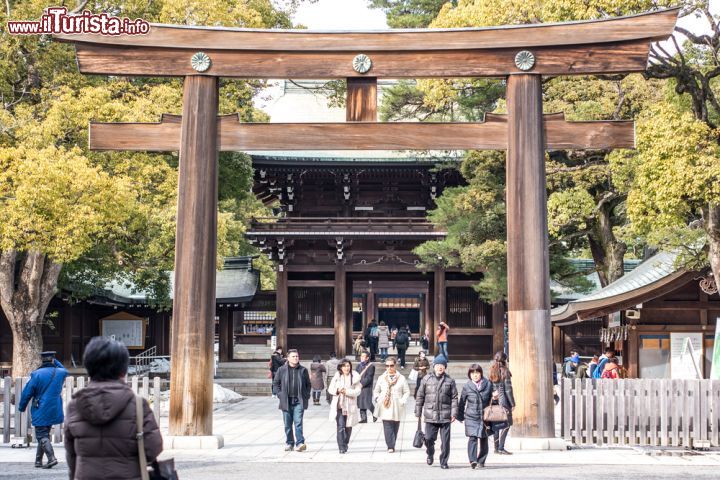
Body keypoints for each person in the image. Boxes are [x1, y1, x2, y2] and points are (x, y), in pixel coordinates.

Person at [64, 337, 162, 479]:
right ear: (123, 370)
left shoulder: (75, 406)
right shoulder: (138, 406)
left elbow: (71, 452)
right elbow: (153, 448)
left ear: (89, 368)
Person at [18, 351, 68, 469]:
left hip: (41, 407)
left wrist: (22, 406)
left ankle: (51, 459)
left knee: (41, 434)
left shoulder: (36, 374)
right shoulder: (60, 372)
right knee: (44, 433)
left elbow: (27, 392)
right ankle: (38, 461)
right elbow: (64, 369)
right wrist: (55, 361)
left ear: (42, 360)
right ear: (52, 360)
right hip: (54, 407)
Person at [415, 355, 458, 470]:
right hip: (430, 415)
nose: (440, 367)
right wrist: (418, 412)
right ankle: (430, 453)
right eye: (438, 365)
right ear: (434, 366)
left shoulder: (450, 381)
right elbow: (420, 396)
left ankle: (444, 461)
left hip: (445, 415)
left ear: (445, 367)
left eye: (442, 365)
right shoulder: (426, 379)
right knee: (428, 438)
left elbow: (454, 397)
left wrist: (454, 413)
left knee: (445, 442)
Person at [273, 349, 311, 452]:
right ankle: (290, 443)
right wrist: (280, 394)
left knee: (298, 422)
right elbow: (276, 384)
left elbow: (308, 384)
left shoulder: (303, 370)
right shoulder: (281, 370)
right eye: (293, 356)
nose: (295, 358)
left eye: (297, 356)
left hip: (299, 400)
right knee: (287, 424)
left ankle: (300, 443)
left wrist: (306, 395)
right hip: (286, 400)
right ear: (288, 358)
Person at [457, 364, 493, 469]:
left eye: (477, 373)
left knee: (483, 438)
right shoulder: (467, 386)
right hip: (471, 416)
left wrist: (495, 397)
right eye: (473, 373)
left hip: (484, 416)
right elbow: (462, 402)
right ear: (470, 375)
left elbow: (493, 400)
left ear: (481, 373)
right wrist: (460, 417)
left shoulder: (488, 384)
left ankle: (481, 460)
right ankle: (473, 460)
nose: (475, 375)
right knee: (472, 438)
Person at [373, 356, 410, 453]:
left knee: (395, 426)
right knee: (387, 424)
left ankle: (392, 443)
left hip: (397, 404)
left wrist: (402, 400)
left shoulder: (401, 378)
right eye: (387, 366)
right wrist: (377, 398)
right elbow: (376, 390)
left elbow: (406, 391)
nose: (389, 368)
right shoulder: (381, 378)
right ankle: (390, 446)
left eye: (391, 365)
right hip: (385, 404)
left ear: (395, 366)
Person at [328, 359, 361, 454]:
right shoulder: (337, 376)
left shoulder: (355, 377)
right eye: (344, 366)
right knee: (340, 426)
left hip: (350, 406)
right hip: (339, 406)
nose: (346, 368)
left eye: (348, 366)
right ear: (340, 367)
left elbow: (358, 391)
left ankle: (345, 443)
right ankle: (341, 447)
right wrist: (338, 390)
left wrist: (347, 391)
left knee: (348, 427)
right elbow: (330, 389)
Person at [488, 351, 515, 455]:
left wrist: (492, 394)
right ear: (504, 360)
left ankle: (496, 448)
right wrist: (512, 403)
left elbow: (489, 385)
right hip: (504, 400)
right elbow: (508, 389)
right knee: (507, 424)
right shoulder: (505, 371)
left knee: (496, 424)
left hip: (494, 400)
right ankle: (501, 447)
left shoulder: (491, 370)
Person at [356, 350, 376, 423]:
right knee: (360, 402)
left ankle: (375, 414)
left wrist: (362, 383)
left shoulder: (371, 366)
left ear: (367, 358)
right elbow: (356, 375)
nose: (361, 357)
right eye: (361, 356)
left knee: (368, 402)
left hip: (367, 386)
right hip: (359, 386)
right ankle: (363, 418)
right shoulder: (359, 365)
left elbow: (369, 377)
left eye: (363, 356)